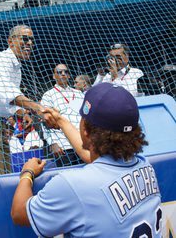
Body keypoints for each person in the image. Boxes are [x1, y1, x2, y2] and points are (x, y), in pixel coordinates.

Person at [11, 83, 162, 238]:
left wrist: (27, 174)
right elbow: (90, 156)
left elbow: (20, 213)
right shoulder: (144, 165)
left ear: (85, 130)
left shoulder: (73, 184)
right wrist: (61, 121)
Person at [0, 25, 56, 177]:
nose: (30, 43)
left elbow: (7, 100)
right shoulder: (1, 60)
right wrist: (37, 108)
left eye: (32, 40)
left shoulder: (16, 68)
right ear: (11, 41)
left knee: (5, 174)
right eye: (25, 39)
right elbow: (7, 92)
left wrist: (21, 114)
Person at [41, 63, 85, 167]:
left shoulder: (79, 94)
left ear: (69, 75)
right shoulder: (48, 95)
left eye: (66, 72)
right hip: (63, 145)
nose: (63, 74)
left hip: (82, 142)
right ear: (54, 76)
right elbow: (45, 122)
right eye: (59, 72)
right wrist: (52, 143)